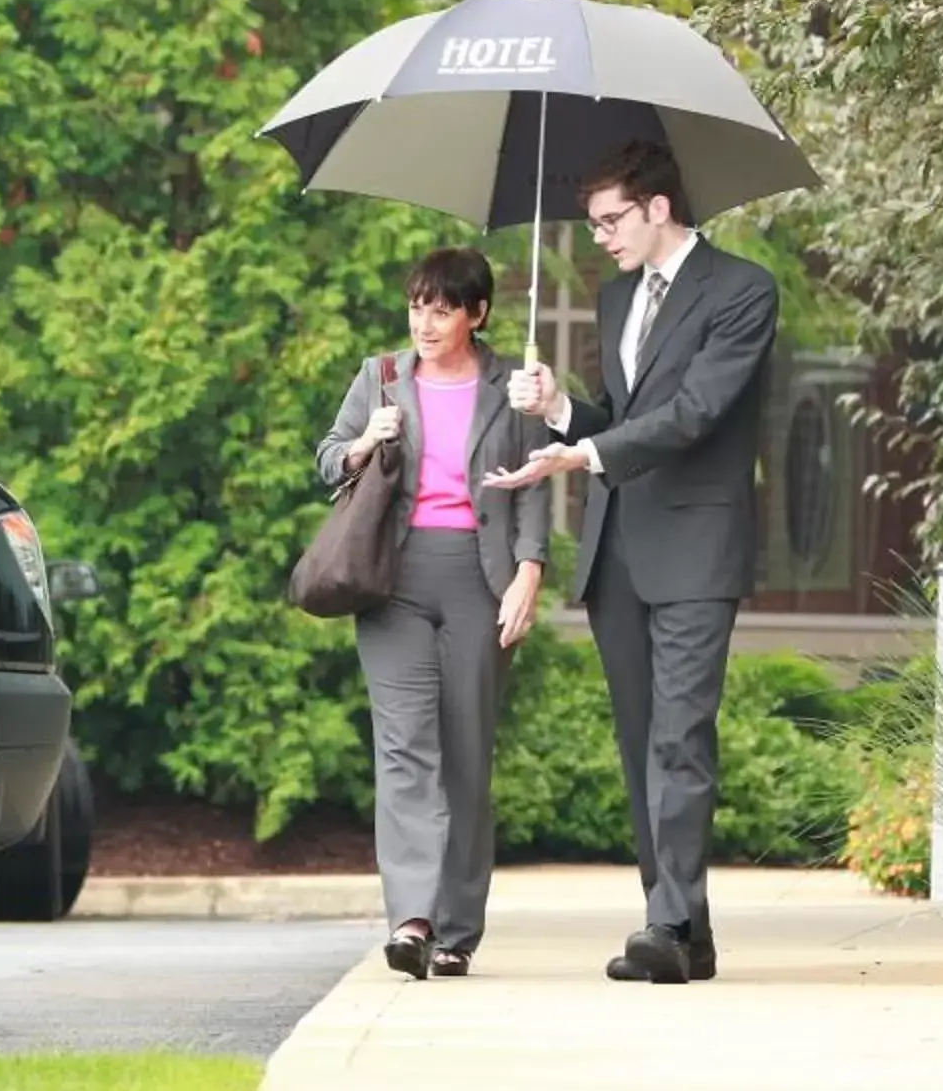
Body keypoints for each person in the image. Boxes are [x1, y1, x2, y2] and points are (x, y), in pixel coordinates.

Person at [489, 139, 781, 984]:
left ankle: (667, 922)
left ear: (659, 208)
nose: (601, 238)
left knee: (681, 739)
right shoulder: (616, 299)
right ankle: (684, 927)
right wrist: (558, 411)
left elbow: (694, 413)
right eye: (592, 224)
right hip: (619, 550)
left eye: (611, 220)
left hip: (696, 547)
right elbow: (617, 414)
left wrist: (583, 456)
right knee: (639, 742)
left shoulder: (743, 291)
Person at [316, 248, 552, 980]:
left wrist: (530, 573)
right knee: (404, 747)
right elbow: (326, 459)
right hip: (393, 579)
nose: (426, 321)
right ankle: (412, 918)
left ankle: (457, 929)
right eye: (418, 305)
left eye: (443, 308)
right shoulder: (379, 378)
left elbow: (538, 486)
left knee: (466, 753)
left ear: (477, 314)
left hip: (480, 580)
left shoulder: (512, 388)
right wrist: (363, 442)